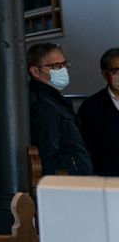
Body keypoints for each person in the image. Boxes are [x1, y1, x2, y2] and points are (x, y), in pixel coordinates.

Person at [27, 41, 92, 176]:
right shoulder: (44, 105)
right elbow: (49, 155)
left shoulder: (55, 99)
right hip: (68, 181)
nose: (63, 70)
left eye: (64, 64)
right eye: (56, 66)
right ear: (35, 71)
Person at [77, 47, 119, 175]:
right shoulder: (91, 107)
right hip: (107, 178)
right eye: (116, 70)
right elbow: (84, 148)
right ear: (105, 74)